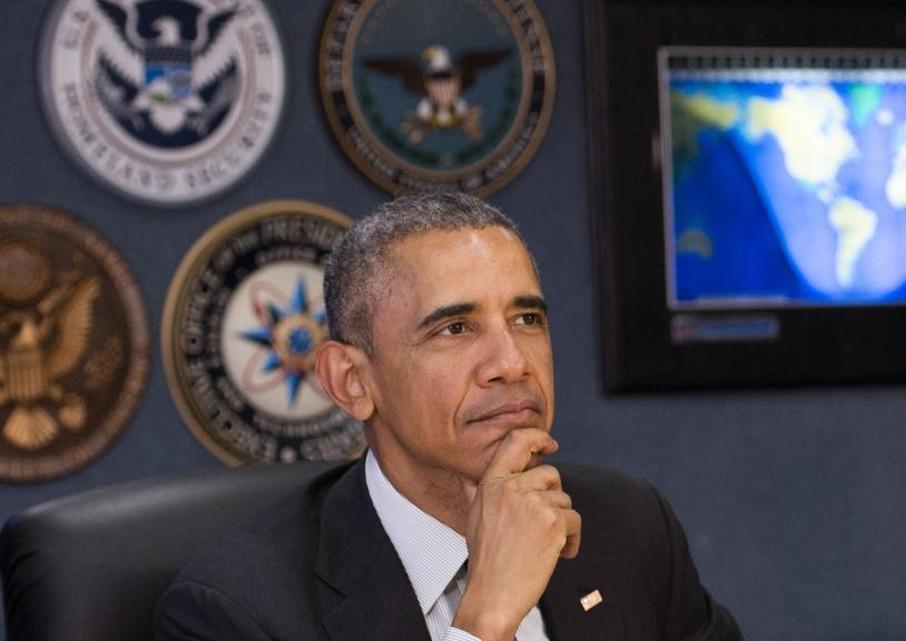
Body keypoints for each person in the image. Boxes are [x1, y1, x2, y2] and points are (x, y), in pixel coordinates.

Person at [154, 192, 741, 641]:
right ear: (353, 382)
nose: (512, 363)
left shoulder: (629, 527)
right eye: (454, 329)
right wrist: (486, 616)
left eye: (527, 320)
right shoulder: (236, 611)